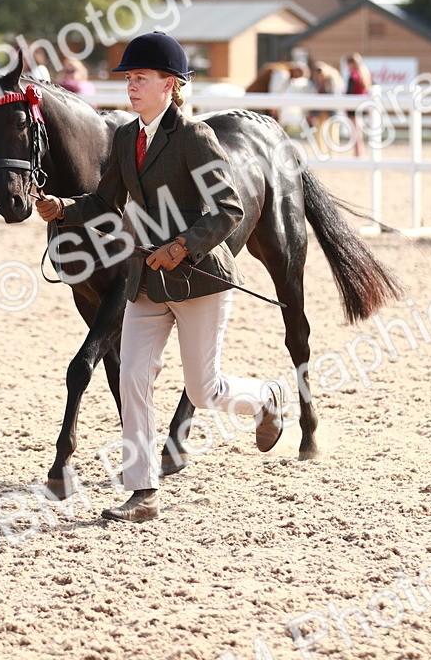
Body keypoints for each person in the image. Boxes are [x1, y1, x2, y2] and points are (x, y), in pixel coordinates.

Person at [35, 31, 285, 523]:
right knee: (132, 377)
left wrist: (182, 245)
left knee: (203, 391)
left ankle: (267, 398)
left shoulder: (194, 138)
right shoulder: (126, 137)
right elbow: (104, 202)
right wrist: (62, 207)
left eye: (141, 78)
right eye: (129, 77)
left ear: (169, 85)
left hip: (198, 279)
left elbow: (229, 208)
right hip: (146, 282)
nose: (131, 85)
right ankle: (142, 491)